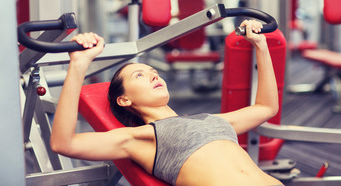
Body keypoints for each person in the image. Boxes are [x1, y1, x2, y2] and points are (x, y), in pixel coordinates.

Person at [50, 19, 283, 186]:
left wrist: (260, 45)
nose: (153, 75)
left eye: (152, 71)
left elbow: (266, 107)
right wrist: (79, 65)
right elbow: (64, 143)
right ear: (124, 99)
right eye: (139, 75)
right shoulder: (141, 138)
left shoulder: (212, 121)